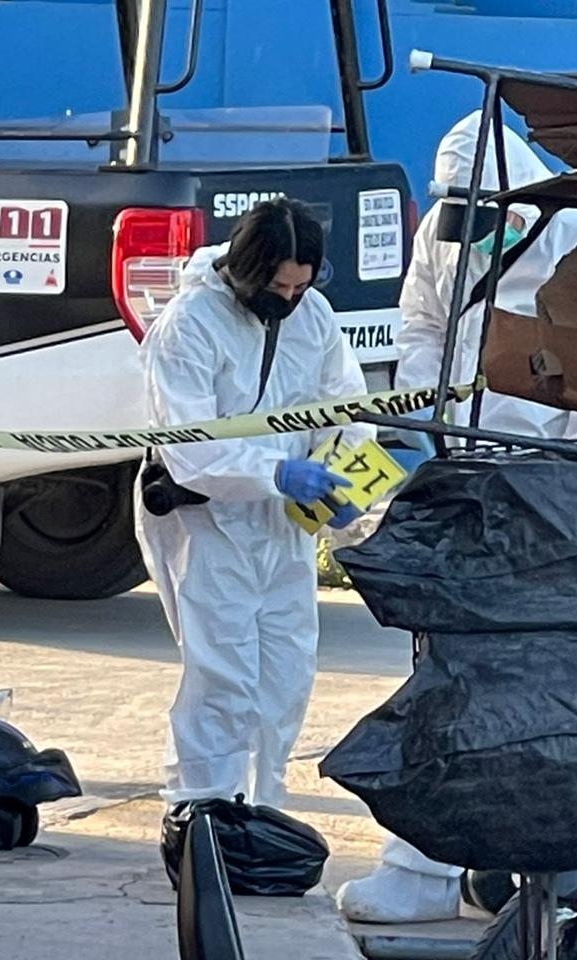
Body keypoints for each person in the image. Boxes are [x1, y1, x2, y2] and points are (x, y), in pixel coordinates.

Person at [335, 112, 577, 925]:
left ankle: (550, 862)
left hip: (544, 491)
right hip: (461, 476)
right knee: (440, 671)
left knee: (545, 681)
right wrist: (431, 422)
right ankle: (426, 865)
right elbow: (422, 325)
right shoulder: (444, 231)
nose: (466, 239)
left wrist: (566, 484)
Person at [134, 198, 374, 812]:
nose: (288, 298)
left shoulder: (313, 315)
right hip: (205, 521)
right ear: (245, 270)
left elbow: (345, 402)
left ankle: (263, 806)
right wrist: (275, 472)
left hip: (283, 524)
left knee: (287, 673)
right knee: (223, 676)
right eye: (277, 284)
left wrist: (346, 479)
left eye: (300, 284)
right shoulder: (189, 325)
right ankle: (202, 809)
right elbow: (189, 450)